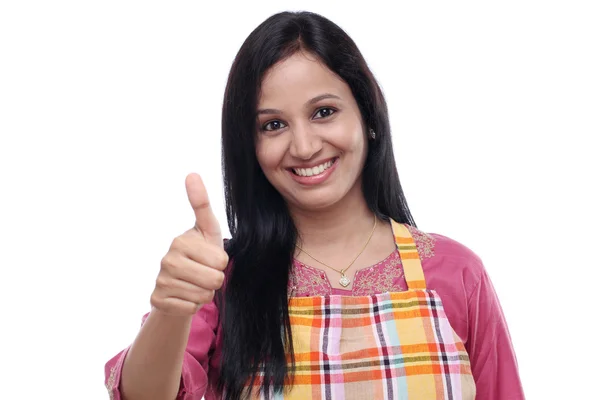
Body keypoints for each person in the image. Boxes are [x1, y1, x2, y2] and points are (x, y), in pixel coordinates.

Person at [104, 10, 524, 400]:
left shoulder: (456, 272)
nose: (304, 147)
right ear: (249, 146)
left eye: (324, 112)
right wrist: (171, 310)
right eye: (273, 125)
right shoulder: (221, 277)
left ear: (369, 116)